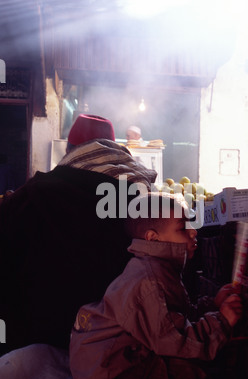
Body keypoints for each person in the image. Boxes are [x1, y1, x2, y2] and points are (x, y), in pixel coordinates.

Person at [69, 192, 243, 379]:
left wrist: (213, 305)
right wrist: (220, 322)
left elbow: (175, 317)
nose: (193, 232)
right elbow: (174, 340)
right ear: (154, 238)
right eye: (182, 228)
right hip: (108, 370)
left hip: (113, 355)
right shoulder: (149, 280)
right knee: (187, 378)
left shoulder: (158, 267)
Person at [0, 114, 157, 357]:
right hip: (111, 352)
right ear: (114, 149)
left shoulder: (28, 195)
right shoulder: (142, 203)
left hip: (25, 347)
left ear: (69, 149)